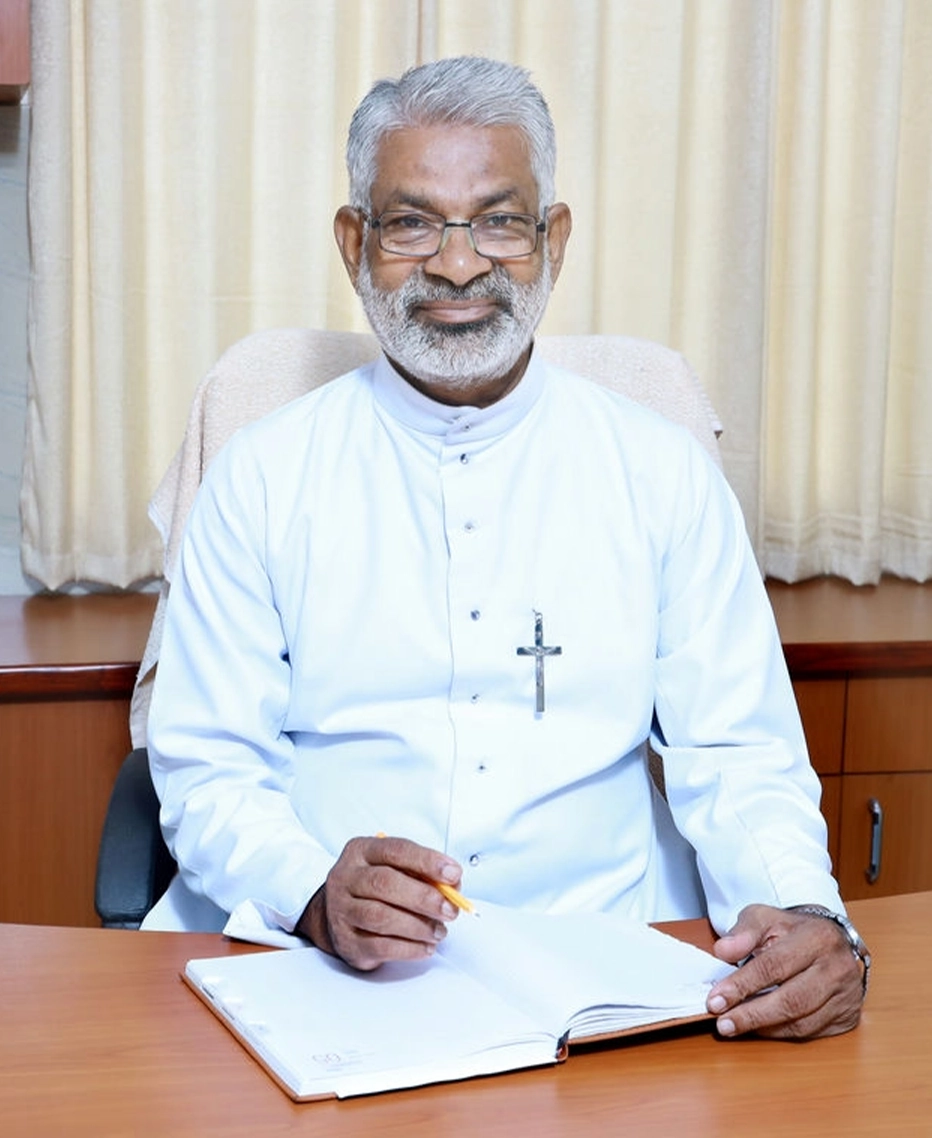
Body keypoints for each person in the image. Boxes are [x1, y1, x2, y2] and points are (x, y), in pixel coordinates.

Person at [144, 56, 868, 1041]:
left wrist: (802, 912)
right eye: (411, 223)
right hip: (318, 967)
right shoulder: (262, 473)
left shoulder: (659, 470)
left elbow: (736, 752)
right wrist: (310, 890)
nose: (456, 266)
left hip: (607, 961)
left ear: (552, 241)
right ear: (354, 243)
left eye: (498, 222)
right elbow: (210, 764)